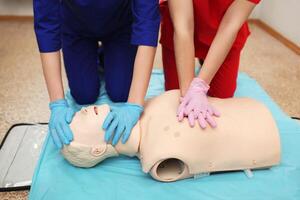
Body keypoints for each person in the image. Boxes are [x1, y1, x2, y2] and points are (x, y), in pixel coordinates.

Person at [61, 90, 281, 182]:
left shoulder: (143, 107)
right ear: (97, 149)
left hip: (247, 110)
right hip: (264, 138)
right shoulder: (157, 159)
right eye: (77, 123)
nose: (80, 111)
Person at [33, 0, 160, 148]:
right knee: (84, 95)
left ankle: (106, 57)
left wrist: (135, 105)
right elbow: (46, 25)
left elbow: (147, 24)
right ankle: (100, 59)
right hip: (76, 27)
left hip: (121, 25)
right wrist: (57, 103)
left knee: (121, 93)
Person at [159, 0, 260, 128]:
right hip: (180, 29)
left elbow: (230, 25)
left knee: (222, 104)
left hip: (223, 33)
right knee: (175, 101)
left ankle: (205, 63)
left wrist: (199, 86)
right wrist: (188, 95)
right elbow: (183, 27)